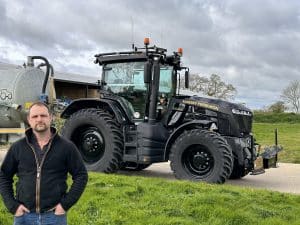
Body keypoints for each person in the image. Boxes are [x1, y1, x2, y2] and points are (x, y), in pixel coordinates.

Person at [0, 102, 88, 225]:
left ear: (50, 117)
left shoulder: (67, 147)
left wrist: (64, 205)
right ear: (29, 120)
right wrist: (13, 206)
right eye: (35, 116)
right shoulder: (18, 147)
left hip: (54, 216)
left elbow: (81, 175)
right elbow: (4, 175)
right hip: (24, 217)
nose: (39, 119)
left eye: (43, 115)